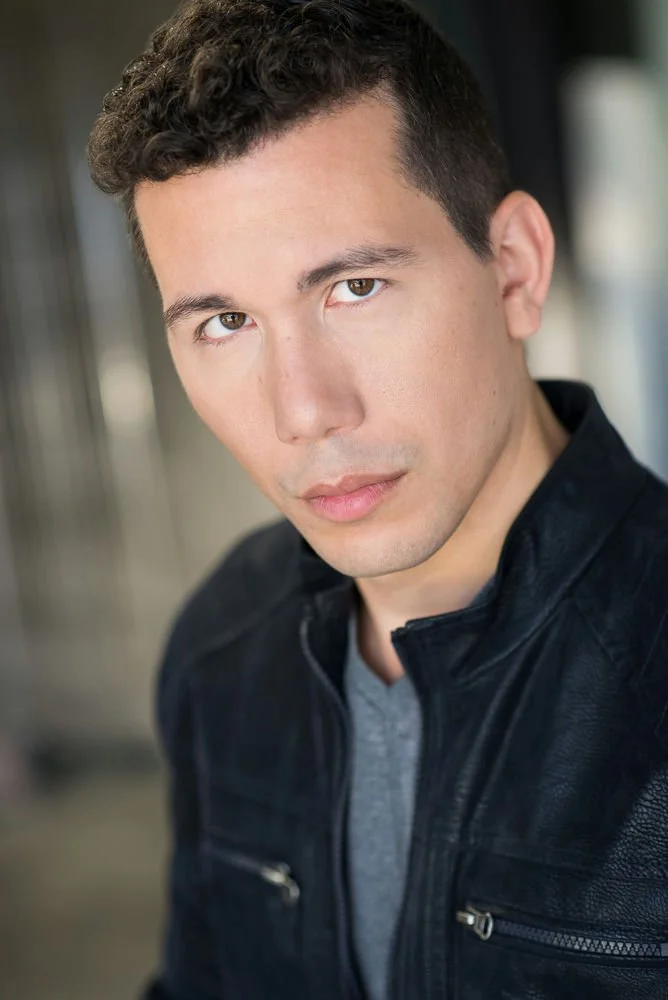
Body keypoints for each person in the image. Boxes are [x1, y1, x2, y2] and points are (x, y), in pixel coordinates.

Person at [86, 0, 668, 997]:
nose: (304, 410)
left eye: (352, 288)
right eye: (224, 321)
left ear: (514, 270)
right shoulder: (223, 644)